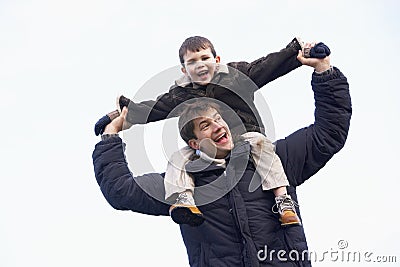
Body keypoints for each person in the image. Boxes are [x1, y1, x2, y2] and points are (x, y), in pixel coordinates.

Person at [92, 50, 352, 266]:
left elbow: (329, 133)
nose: (217, 126)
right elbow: (120, 191)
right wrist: (110, 136)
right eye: (205, 126)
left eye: (218, 119)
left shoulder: (273, 159)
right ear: (193, 143)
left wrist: (324, 72)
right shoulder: (181, 184)